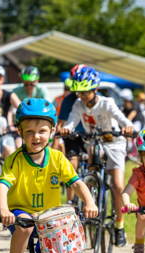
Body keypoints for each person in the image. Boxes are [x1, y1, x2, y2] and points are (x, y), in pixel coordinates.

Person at [0, 98, 98, 253]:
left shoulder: (57, 158)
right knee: (25, 226)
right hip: (21, 212)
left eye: (42, 131)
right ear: (20, 132)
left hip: (49, 217)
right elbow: (2, 185)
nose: (36, 136)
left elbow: (76, 183)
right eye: (29, 132)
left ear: (52, 132)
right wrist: (3, 210)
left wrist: (90, 202)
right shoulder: (14, 160)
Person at [60, 66, 135, 247]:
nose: (82, 96)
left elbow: (124, 120)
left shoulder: (107, 103)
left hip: (114, 142)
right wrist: (67, 129)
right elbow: (71, 121)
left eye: (86, 92)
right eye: (80, 92)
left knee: (117, 185)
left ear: (95, 89)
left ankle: (119, 225)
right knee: (90, 164)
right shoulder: (78, 104)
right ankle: (92, 196)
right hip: (93, 142)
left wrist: (127, 127)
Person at [57, 64, 88, 204]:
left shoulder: (96, 97)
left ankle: (97, 186)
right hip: (73, 136)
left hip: (90, 136)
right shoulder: (68, 100)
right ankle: (70, 201)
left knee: (98, 157)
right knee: (72, 163)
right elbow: (61, 122)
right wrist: (60, 133)